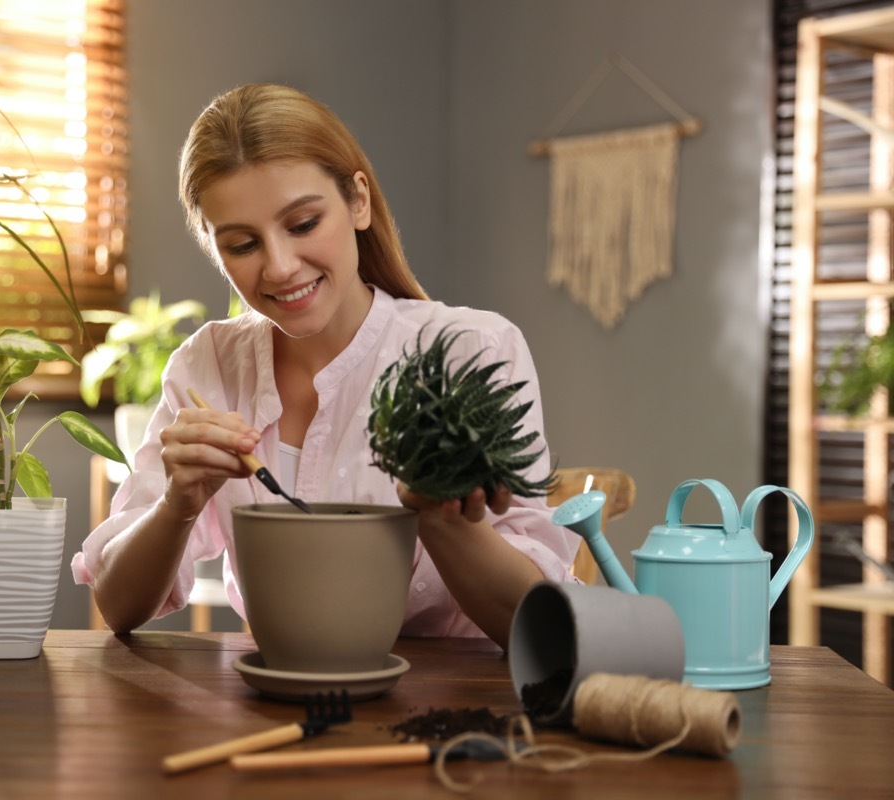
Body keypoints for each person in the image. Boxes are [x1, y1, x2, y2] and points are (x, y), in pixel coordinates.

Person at [71, 83, 579, 649]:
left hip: (461, 708)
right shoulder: (207, 366)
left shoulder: (472, 352)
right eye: (242, 245)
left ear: (358, 200)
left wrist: (439, 517)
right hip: (278, 706)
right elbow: (116, 607)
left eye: (304, 224)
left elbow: (538, 621)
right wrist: (176, 505)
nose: (281, 267)